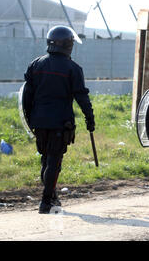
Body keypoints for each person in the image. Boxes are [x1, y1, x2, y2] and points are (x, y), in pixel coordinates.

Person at [23, 25, 95, 214]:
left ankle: (52, 196)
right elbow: (82, 97)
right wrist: (90, 118)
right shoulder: (73, 68)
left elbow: (26, 97)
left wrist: (31, 120)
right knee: (54, 162)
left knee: (46, 161)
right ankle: (46, 202)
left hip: (39, 122)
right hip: (60, 123)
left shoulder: (36, 64)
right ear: (68, 45)